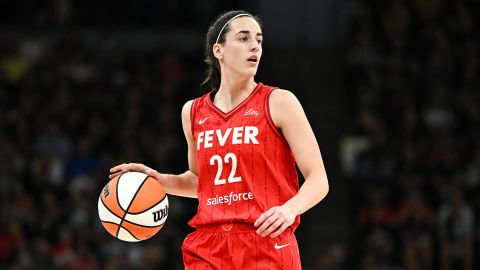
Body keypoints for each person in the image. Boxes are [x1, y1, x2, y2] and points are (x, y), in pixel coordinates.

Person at [109, 10, 329, 269]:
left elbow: (318, 179)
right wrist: (158, 180)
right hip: (209, 246)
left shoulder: (279, 102)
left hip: (266, 241)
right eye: (244, 38)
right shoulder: (192, 111)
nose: (255, 46)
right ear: (219, 50)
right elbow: (201, 182)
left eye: (258, 39)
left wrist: (290, 209)